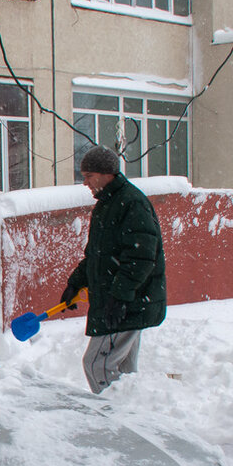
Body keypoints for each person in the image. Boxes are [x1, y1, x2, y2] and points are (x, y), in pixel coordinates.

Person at [61, 146, 166, 393]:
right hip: (122, 302)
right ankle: (131, 413)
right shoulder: (107, 205)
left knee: (97, 365)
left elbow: (141, 258)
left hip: (126, 304)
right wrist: (75, 283)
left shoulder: (131, 203)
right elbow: (97, 255)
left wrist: (120, 297)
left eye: (88, 176)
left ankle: (112, 419)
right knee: (125, 373)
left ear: (106, 173)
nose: (85, 182)